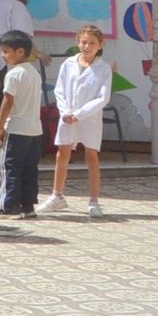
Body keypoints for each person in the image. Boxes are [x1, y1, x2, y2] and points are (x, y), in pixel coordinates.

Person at [39, 24, 114, 217]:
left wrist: (79, 114)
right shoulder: (68, 64)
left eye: (91, 43)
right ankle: (57, 195)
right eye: (83, 42)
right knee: (62, 153)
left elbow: (102, 98)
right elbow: (60, 90)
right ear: (77, 42)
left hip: (89, 118)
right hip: (67, 116)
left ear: (100, 45)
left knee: (91, 155)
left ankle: (94, 200)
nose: (87, 46)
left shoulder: (104, 69)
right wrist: (65, 111)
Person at [0, 30, 44, 219]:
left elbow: (8, 101)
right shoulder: (34, 73)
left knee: (9, 167)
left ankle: (8, 206)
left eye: (6, 51)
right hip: (35, 129)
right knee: (29, 168)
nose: (3, 55)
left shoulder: (14, 74)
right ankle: (28, 206)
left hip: (16, 129)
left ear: (20, 51)